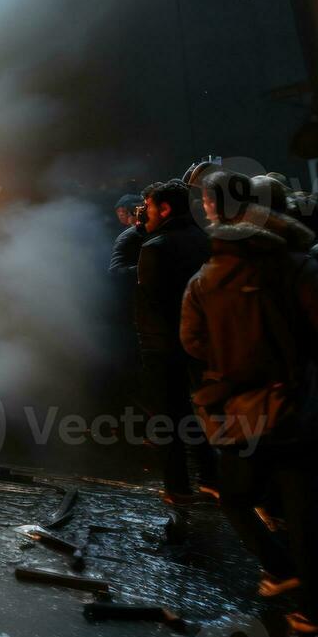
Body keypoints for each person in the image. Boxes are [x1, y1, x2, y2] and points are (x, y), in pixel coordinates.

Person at [181, 170, 318, 634]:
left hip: (243, 408)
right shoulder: (299, 263)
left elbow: (193, 342)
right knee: (303, 511)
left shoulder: (209, 277)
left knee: (236, 495)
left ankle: (279, 569)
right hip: (303, 402)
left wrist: (238, 349)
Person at [133, 180, 215, 503]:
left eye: (149, 208)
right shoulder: (205, 240)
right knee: (202, 414)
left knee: (168, 418)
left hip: (163, 347)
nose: (145, 214)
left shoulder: (154, 248)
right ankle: (212, 478)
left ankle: (177, 487)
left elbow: (150, 303)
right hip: (203, 344)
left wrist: (147, 346)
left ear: (164, 209)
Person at [111, 193, 145, 276]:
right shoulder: (124, 234)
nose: (121, 215)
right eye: (119, 212)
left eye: (123, 212)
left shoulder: (130, 234)